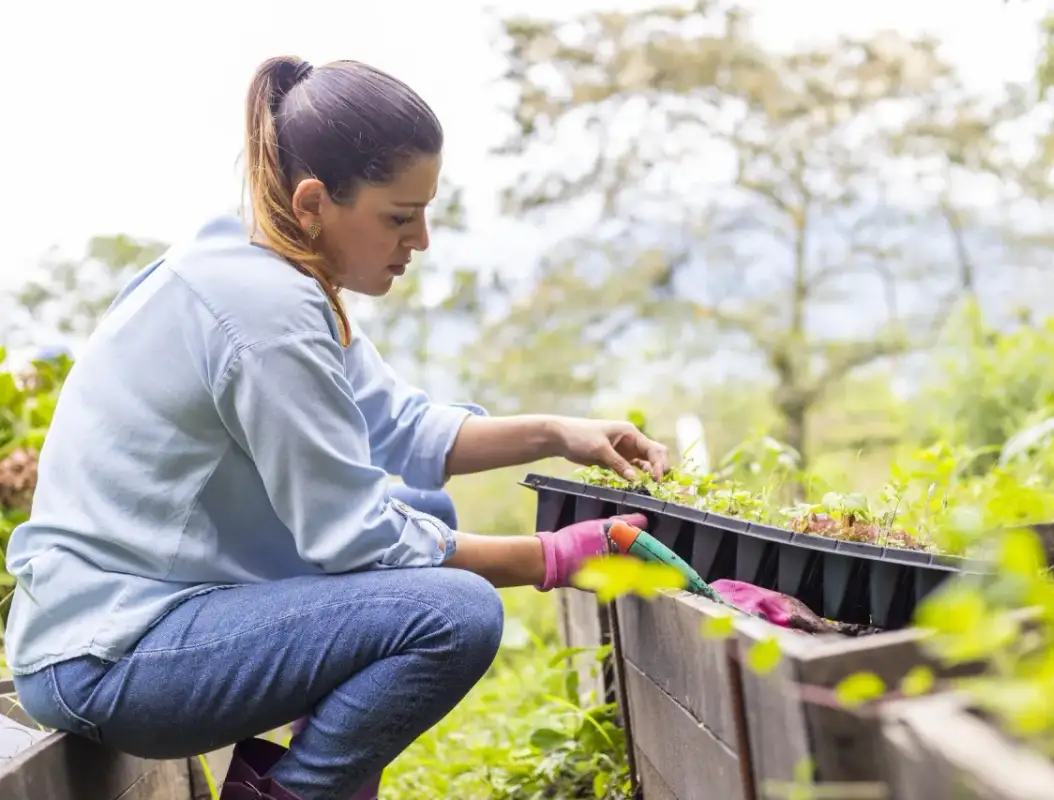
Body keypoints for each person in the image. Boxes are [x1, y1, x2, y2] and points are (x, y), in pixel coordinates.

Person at [4, 55, 670, 800]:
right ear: (316, 199)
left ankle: (289, 781)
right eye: (398, 216)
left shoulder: (271, 266)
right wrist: (553, 557)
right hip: (114, 654)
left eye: (426, 211)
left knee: (434, 519)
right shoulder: (264, 310)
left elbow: (405, 428)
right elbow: (353, 537)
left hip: (147, 624)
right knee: (456, 612)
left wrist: (562, 432)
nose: (419, 240)